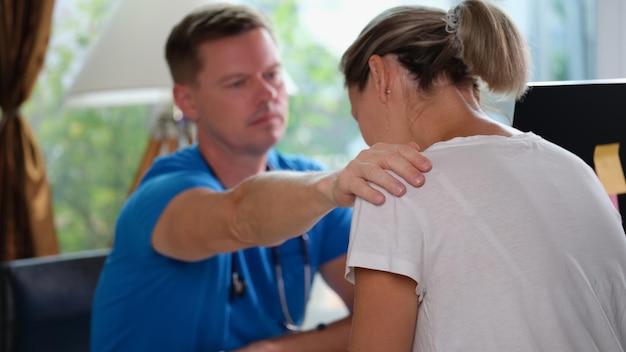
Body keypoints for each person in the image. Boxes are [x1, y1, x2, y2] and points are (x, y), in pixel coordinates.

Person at [90, 3, 432, 352]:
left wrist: (278, 350)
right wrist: (332, 187)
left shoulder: (310, 183)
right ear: (187, 100)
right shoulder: (162, 194)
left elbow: (386, 316)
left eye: (272, 75)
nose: (267, 94)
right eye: (238, 83)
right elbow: (240, 216)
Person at [341, 1, 626, 351]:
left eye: (359, 115)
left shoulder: (395, 189)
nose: (371, 144)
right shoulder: (576, 170)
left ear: (381, 76)